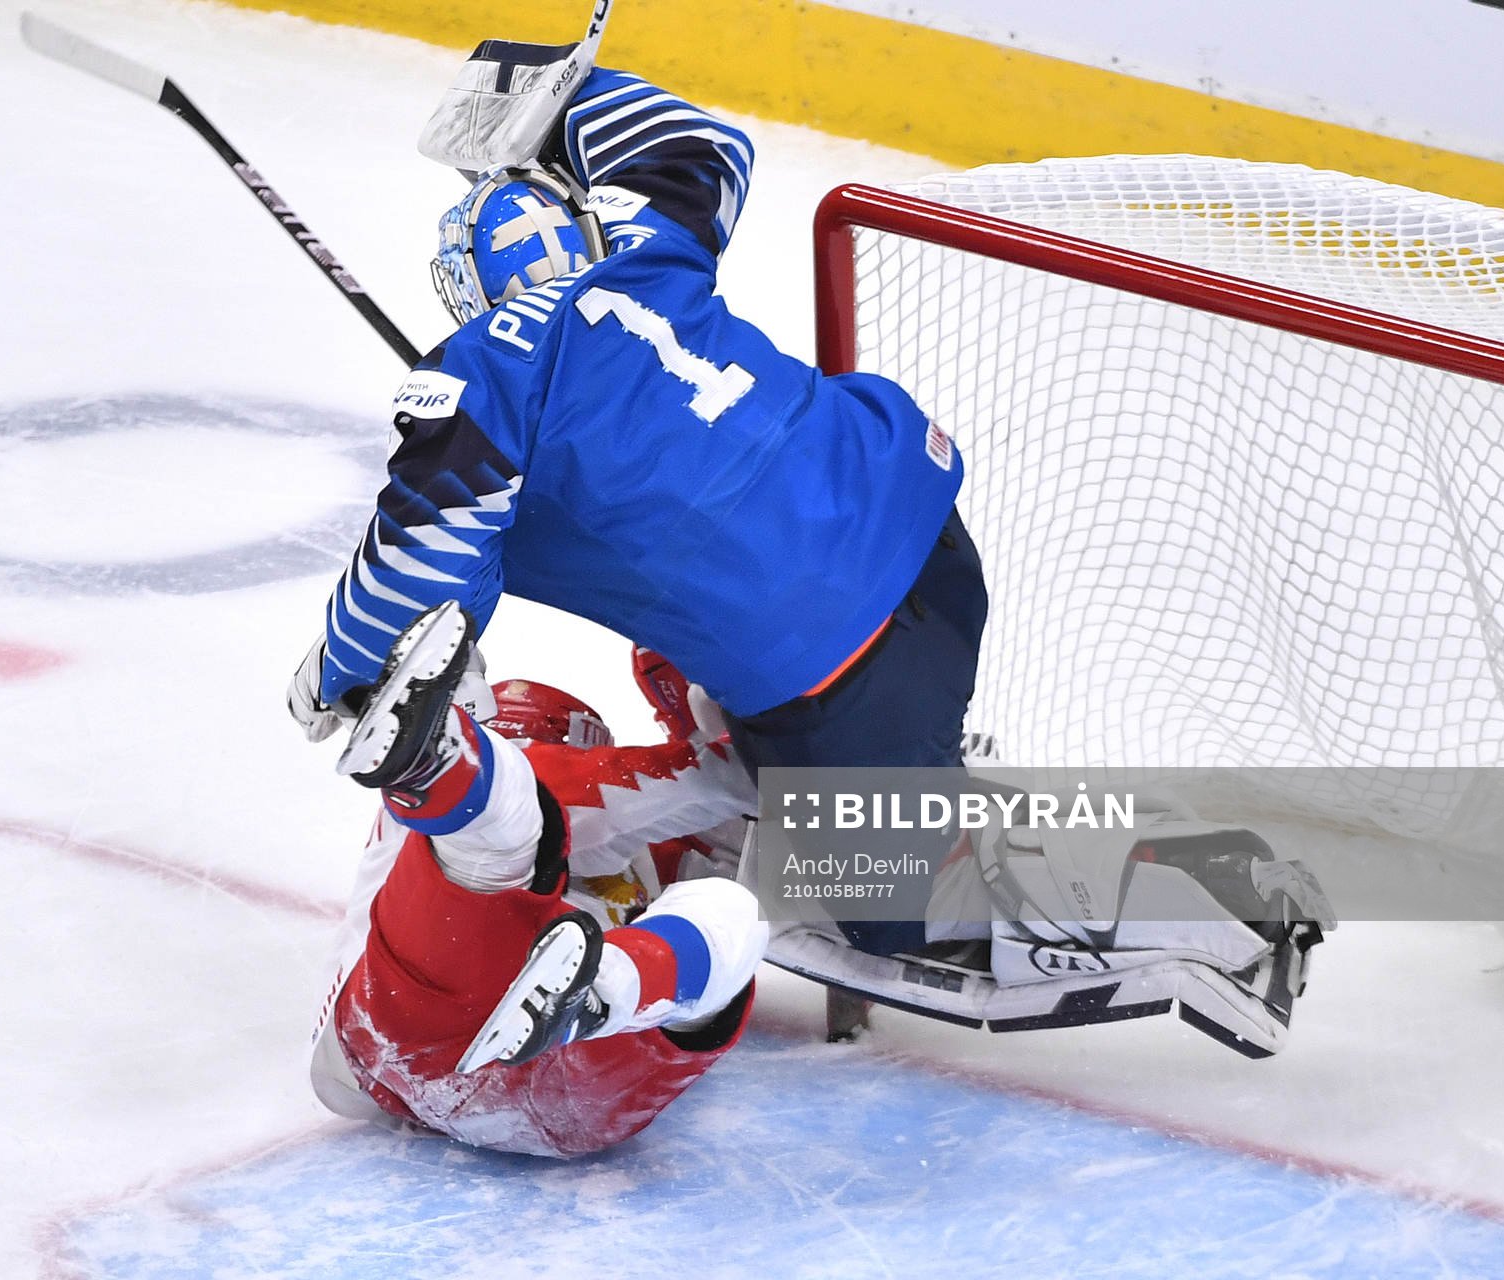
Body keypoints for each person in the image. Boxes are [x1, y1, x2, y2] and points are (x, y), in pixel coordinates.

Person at [287, 44, 986, 963]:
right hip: (927, 532)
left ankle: (1227, 871)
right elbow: (703, 145)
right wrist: (550, 95)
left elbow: (417, 566)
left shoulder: (482, 381)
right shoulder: (647, 256)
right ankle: (894, 775)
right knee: (682, 659)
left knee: (906, 920)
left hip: (836, 671)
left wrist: (336, 663)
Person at [309, 601, 768, 1157]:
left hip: (413, 1044)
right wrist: (752, 760)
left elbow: (744, 858)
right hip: (566, 1100)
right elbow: (591, 794)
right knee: (511, 828)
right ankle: (599, 993)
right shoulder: (456, 818)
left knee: (732, 910)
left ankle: (594, 994)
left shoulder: (643, 847)